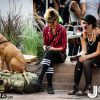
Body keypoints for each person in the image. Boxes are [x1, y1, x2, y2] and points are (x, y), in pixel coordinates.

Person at [36, 8, 67, 94]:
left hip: (61, 55)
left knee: (50, 54)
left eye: (51, 23)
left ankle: (40, 79)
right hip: (50, 54)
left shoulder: (63, 29)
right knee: (49, 57)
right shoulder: (46, 29)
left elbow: (64, 48)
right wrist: (45, 47)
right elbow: (45, 44)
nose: (49, 25)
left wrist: (53, 49)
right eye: (47, 22)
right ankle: (49, 86)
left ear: (56, 20)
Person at [68, 14, 100, 96]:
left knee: (86, 62)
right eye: (83, 23)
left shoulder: (98, 34)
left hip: (98, 57)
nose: (82, 25)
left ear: (90, 25)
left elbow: (98, 52)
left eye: (84, 23)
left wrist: (86, 57)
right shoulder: (83, 35)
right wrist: (79, 56)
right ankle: (75, 87)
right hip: (90, 56)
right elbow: (84, 50)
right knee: (79, 61)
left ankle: (88, 87)